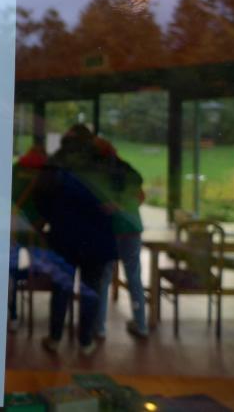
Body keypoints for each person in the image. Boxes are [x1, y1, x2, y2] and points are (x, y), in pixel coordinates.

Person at [34, 125, 117, 356]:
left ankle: (54, 338)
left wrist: (53, 217)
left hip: (64, 237)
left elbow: (40, 197)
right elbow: (118, 193)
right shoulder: (103, 163)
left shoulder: (56, 163)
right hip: (97, 239)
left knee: (61, 288)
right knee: (91, 290)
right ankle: (86, 341)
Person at [93, 137, 148, 339]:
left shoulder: (95, 172)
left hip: (109, 230)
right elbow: (141, 196)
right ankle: (141, 324)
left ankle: (99, 327)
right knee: (134, 277)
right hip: (132, 228)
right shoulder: (128, 170)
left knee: (104, 279)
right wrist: (125, 206)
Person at [8, 145, 47, 332]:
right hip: (35, 231)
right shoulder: (46, 174)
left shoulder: (16, 170)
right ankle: (30, 280)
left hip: (14, 228)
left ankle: (13, 315)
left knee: (11, 271)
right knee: (34, 268)